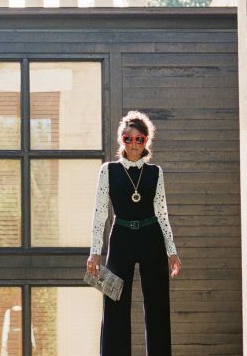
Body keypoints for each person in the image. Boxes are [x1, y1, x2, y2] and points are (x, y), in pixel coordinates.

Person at [86, 110, 182, 356]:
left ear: (147, 141)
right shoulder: (108, 170)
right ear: (121, 140)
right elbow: (100, 213)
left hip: (151, 236)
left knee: (157, 304)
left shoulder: (155, 172)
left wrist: (171, 251)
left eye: (140, 139)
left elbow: (162, 214)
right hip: (120, 237)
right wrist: (94, 252)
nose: (134, 144)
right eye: (128, 138)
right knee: (113, 301)